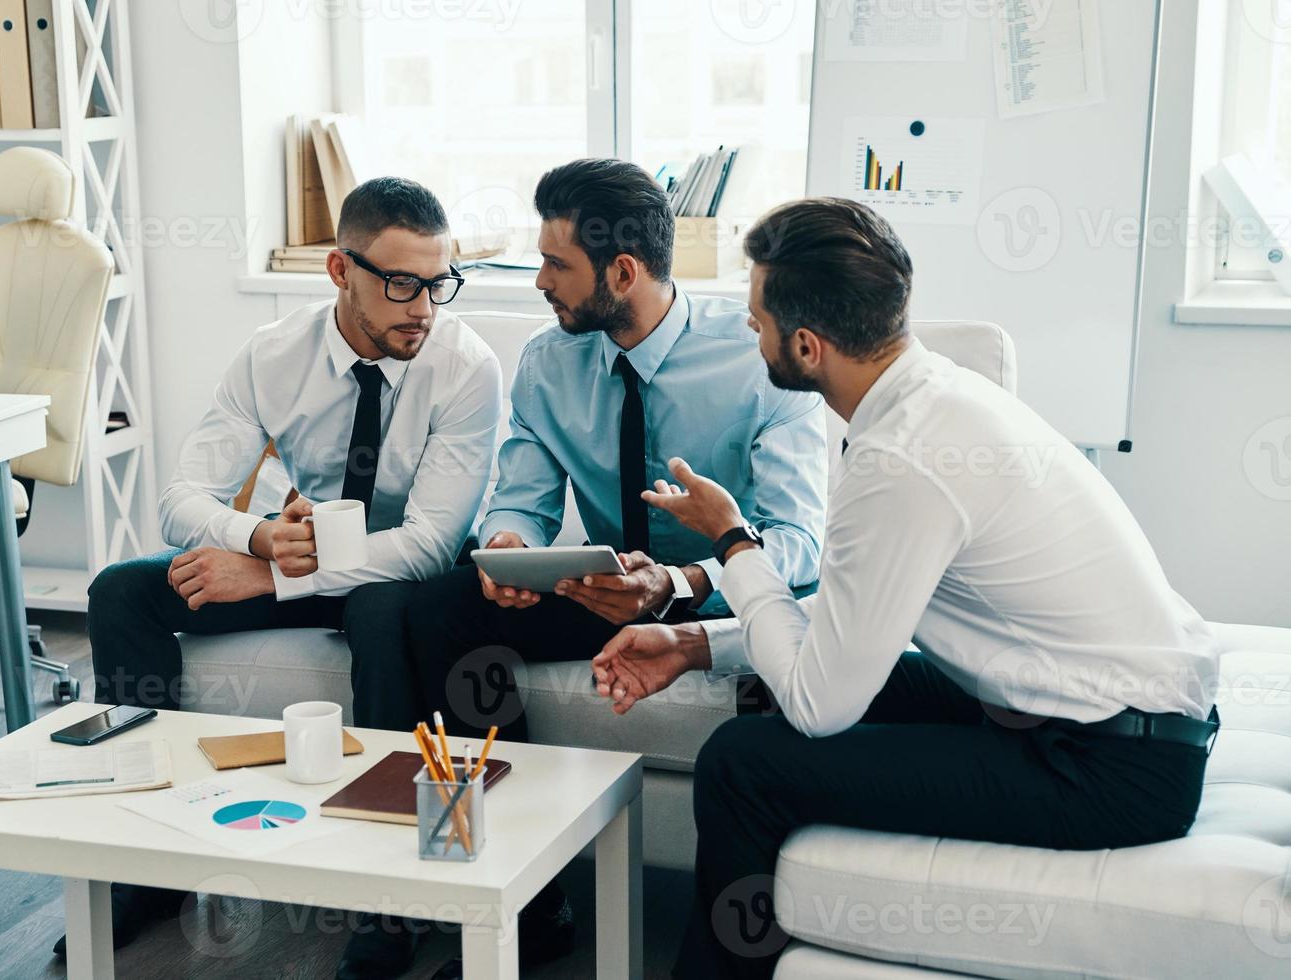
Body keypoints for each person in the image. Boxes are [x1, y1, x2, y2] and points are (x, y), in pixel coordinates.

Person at [590, 197, 1222, 979]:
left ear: (808, 346)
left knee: (742, 762)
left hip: (1112, 767)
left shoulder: (902, 461)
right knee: (762, 692)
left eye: (756, 323)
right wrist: (694, 644)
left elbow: (822, 707)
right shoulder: (932, 400)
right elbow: (861, 616)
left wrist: (734, 539)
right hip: (1103, 715)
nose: (749, 336)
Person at [344, 158, 830, 977]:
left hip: (720, 597)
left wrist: (681, 583)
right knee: (435, 610)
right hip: (604, 588)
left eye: (555, 265)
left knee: (768, 672)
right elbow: (522, 498)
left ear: (624, 272)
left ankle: (736, 937)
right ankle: (520, 901)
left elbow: (799, 540)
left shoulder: (757, 361)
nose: (538, 281)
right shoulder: (548, 361)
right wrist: (505, 548)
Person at [61, 177, 502, 962]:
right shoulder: (273, 355)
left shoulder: (466, 368)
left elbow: (433, 542)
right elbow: (181, 497)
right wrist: (258, 536)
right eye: (401, 283)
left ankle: (385, 896)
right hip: (293, 554)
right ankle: (148, 868)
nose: (423, 308)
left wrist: (276, 577)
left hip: (400, 582)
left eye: (438, 284)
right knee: (121, 591)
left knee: (380, 611)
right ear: (340, 271)